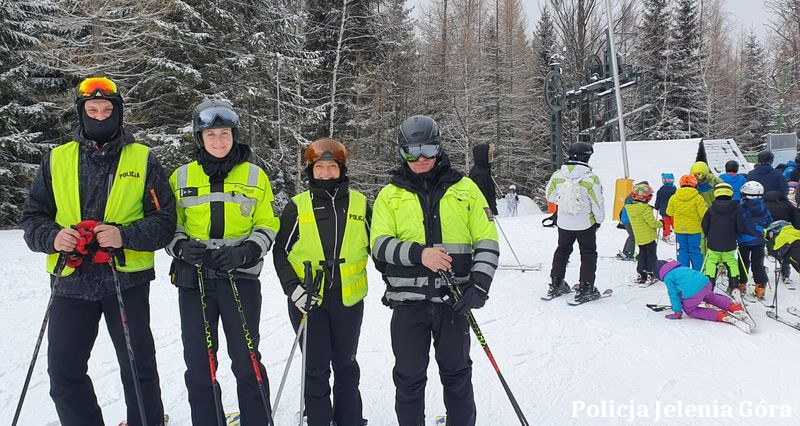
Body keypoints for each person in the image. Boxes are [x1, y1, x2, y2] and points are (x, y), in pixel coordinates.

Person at [20, 76, 175, 426]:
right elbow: (32, 218)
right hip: (71, 279)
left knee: (139, 368)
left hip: (125, 278)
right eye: (93, 110)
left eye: (107, 110)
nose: (100, 116)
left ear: (119, 114)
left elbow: (165, 222)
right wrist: (53, 237)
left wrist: (124, 235)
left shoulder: (143, 159)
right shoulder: (56, 159)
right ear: (81, 113)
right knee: (63, 371)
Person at [371, 115, 499, 426]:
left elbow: (487, 238)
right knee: (409, 379)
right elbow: (378, 245)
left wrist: (480, 284)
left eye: (427, 149)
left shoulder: (465, 189)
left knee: (457, 376)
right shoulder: (390, 194)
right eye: (411, 152)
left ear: (439, 148)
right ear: (402, 152)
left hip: (454, 300)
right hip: (408, 304)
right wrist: (420, 254)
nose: (421, 159)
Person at [165, 99, 279, 425]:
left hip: (238, 276)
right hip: (195, 278)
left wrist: (246, 252)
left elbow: (268, 224)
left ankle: (257, 419)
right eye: (211, 134)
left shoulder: (255, 176)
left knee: (246, 359)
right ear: (199, 137)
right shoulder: (181, 176)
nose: (219, 141)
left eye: (225, 133)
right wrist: (182, 247)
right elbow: (169, 225)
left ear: (235, 135)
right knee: (200, 362)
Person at [273, 138, 370, 426]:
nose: (326, 173)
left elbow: (377, 247)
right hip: (309, 298)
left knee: (346, 364)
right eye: (319, 167)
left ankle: (349, 418)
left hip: (348, 300)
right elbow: (280, 252)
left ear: (342, 169)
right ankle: (318, 418)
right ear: (310, 171)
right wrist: (294, 290)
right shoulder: (297, 207)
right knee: (315, 367)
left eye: (331, 167)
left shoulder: (360, 204)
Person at [545, 142, 605, 301]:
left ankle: (556, 283)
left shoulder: (558, 175)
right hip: (585, 223)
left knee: (562, 250)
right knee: (588, 253)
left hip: (564, 223)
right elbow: (597, 203)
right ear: (587, 156)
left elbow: (550, 196)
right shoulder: (590, 178)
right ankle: (586, 287)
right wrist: (598, 221)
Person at [655, 260, 752, 333]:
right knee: (710, 297)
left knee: (690, 310)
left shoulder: (668, 277)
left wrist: (677, 311)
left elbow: (674, 295)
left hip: (693, 292)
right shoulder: (679, 268)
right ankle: (734, 307)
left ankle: (719, 316)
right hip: (705, 283)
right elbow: (685, 284)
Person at [701, 183, 745, 289]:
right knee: (731, 262)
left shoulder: (711, 208)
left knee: (711, 262)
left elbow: (704, 224)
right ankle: (734, 285)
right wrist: (737, 234)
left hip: (713, 242)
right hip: (729, 242)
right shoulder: (737, 208)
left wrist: (707, 234)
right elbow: (740, 226)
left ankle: (709, 286)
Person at [737, 181, 772, 299]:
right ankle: (760, 287)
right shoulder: (764, 207)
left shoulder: (741, 207)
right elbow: (769, 222)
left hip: (743, 240)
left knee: (743, 263)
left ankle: (741, 284)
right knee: (758, 264)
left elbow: (738, 222)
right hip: (759, 241)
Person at [666, 174, 707, 270]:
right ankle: (698, 272)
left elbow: (669, 212)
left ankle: (684, 272)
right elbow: (703, 214)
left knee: (682, 250)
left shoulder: (674, 197)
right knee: (695, 251)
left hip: (680, 229)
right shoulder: (698, 198)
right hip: (695, 230)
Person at [627, 182, 662, 283]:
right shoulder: (645, 209)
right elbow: (652, 223)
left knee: (642, 255)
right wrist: (661, 223)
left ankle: (641, 273)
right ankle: (652, 273)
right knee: (651, 255)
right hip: (649, 237)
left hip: (640, 238)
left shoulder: (630, 208)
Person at [763, 190, 800, 284]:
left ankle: (761, 270)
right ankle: (785, 273)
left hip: (767, 232)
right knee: (786, 249)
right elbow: (797, 221)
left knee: (765, 248)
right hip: (784, 231)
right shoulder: (788, 205)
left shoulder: (762, 206)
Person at [469, 143, 498, 215]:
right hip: (482, 211)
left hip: (485, 210)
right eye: (490, 155)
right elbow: (481, 196)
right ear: (484, 156)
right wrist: (490, 210)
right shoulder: (479, 173)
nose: (492, 157)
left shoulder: (484, 170)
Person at [654, 173, 676, 239]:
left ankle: (666, 235)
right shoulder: (675, 190)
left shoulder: (660, 191)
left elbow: (658, 200)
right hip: (673, 210)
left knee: (666, 223)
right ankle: (678, 233)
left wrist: (657, 206)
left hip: (664, 210)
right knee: (674, 222)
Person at [617, 193, 635, 261]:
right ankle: (629, 253)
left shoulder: (630, 196)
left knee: (631, 235)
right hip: (628, 219)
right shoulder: (633, 198)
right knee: (633, 236)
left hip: (625, 218)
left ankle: (626, 251)